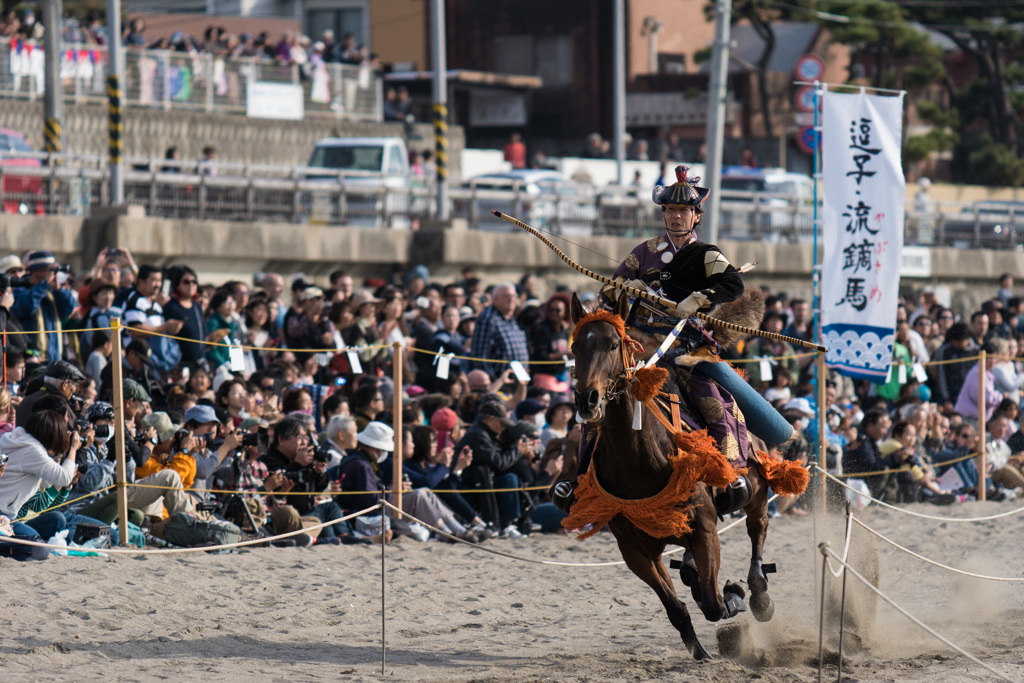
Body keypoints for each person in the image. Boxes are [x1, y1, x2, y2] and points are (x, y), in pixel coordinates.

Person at [10, 251, 77, 363]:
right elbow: (26, 308)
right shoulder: (20, 290)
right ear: (34, 270)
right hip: (32, 358)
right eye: (48, 269)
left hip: (54, 357)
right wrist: (43, 284)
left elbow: (68, 310)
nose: (52, 274)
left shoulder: (53, 292)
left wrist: (58, 289)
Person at [469, 283, 529, 378]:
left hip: (518, 378)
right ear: (495, 299)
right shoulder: (488, 318)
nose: (511, 299)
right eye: (507, 296)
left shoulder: (509, 317)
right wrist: (492, 379)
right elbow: (480, 355)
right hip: (500, 381)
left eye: (514, 296)